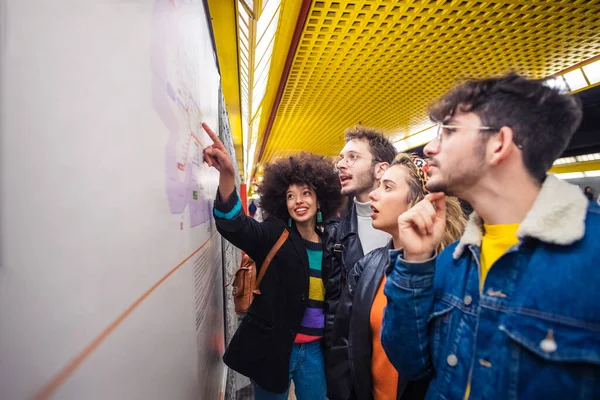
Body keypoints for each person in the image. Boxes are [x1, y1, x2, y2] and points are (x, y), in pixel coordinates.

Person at [381, 73, 600, 399]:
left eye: (450, 130)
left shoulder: (592, 258)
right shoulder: (450, 260)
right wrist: (414, 262)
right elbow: (412, 366)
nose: (429, 147)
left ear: (499, 143)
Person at [202, 123, 342, 400]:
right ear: (282, 201)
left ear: (320, 198)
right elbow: (234, 225)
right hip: (275, 348)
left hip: (316, 350)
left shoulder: (332, 242)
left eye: (306, 193)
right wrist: (229, 175)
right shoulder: (274, 235)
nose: (298, 201)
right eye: (291, 195)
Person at [331, 153, 466, 400]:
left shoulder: (453, 271)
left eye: (388, 187)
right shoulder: (367, 267)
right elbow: (344, 344)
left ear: (419, 201)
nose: (374, 194)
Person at [323, 126, 396, 399]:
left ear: (381, 169)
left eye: (352, 157)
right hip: (356, 366)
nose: (341, 164)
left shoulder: (414, 224)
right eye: (340, 159)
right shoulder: (335, 232)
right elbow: (333, 312)